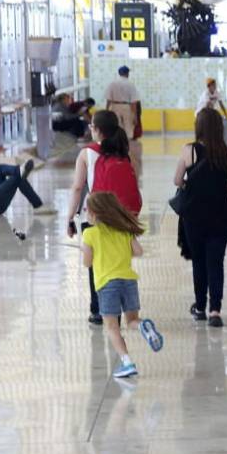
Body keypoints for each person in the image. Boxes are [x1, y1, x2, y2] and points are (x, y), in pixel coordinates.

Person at [66, 110, 143, 324]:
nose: (90, 129)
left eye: (92, 126)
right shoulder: (124, 153)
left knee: (95, 263)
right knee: (119, 259)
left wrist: (70, 217)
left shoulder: (86, 153)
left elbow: (77, 188)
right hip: (121, 215)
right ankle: (121, 304)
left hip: (94, 216)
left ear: (98, 130)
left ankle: (99, 309)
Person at [80, 190, 164, 380]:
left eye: (87, 210)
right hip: (128, 280)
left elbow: (87, 263)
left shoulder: (89, 233)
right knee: (133, 321)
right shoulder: (124, 229)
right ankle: (144, 327)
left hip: (107, 284)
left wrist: (86, 249)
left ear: (94, 214)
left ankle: (127, 363)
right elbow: (139, 251)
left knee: (112, 327)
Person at [172, 108, 227, 327]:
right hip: (220, 214)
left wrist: (192, 187)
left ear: (198, 127)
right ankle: (215, 310)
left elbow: (177, 180)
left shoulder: (189, 150)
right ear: (219, 128)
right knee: (216, 262)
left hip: (194, 215)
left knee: (199, 261)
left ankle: (200, 306)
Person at [103, 65, 144, 176]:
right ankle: (127, 150)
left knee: (116, 128)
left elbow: (108, 99)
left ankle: (116, 148)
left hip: (114, 106)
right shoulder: (130, 84)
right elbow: (134, 102)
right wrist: (135, 116)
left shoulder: (112, 84)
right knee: (128, 130)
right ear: (127, 73)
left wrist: (107, 111)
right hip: (126, 107)